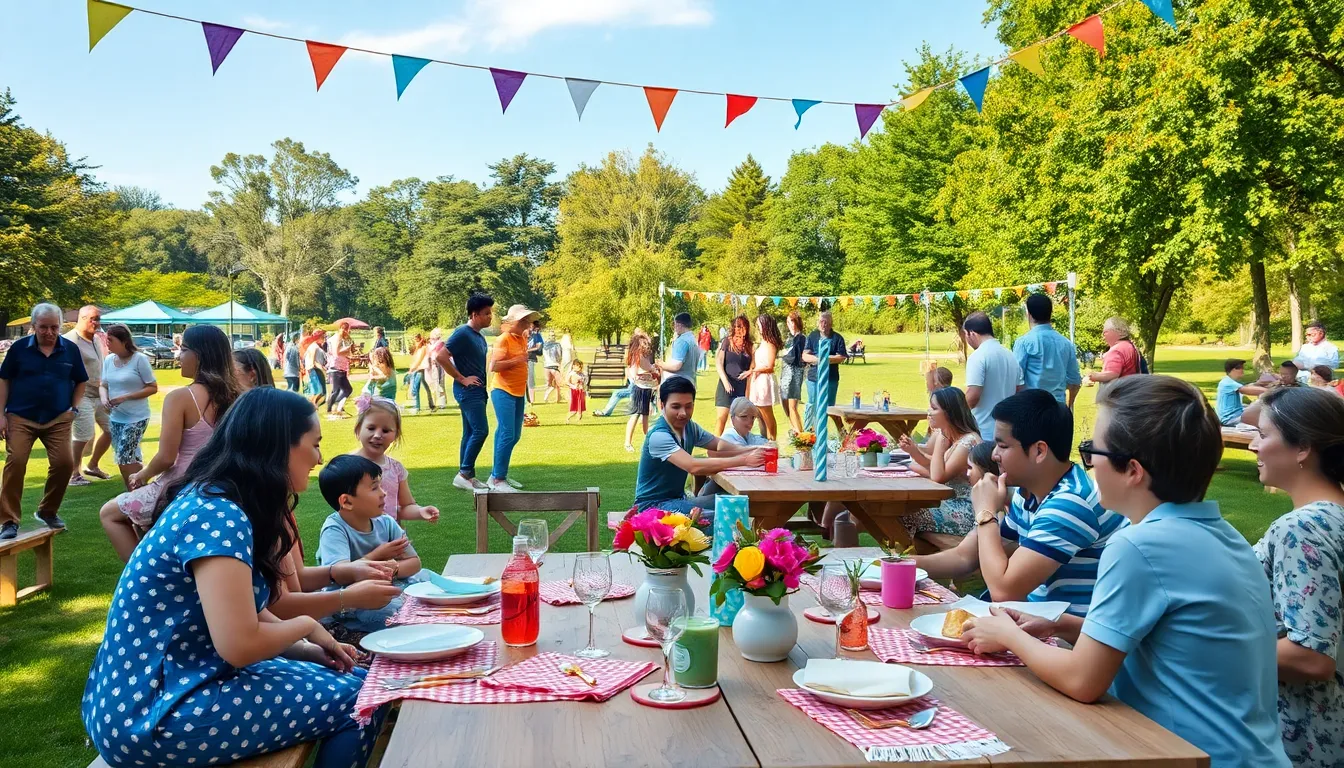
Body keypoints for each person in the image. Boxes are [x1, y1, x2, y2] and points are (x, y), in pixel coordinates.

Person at [962, 376, 1290, 768]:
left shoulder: (1138, 547)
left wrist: (1008, 634)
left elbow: (1083, 681)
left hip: (1185, 756)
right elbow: (1167, 638)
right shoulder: (1224, 536)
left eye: (1092, 451)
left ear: (1133, 470)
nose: (1089, 465)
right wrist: (1061, 624)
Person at [81, 387, 386, 768]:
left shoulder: (216, 501)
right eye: (314, 443)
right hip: (157, 714)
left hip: (152, 694)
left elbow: (246, 616)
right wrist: (305, 626)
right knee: (363, 699)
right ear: (278, 448)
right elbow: (240, 644)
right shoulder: (219, 516)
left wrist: (308, 649)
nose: (319, 457)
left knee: (357, 678)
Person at [915, 388, 1128, 617]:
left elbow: (1004, 590)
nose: (994, 455)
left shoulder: (1070, 503)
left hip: (1067, 640)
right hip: (1037, 622)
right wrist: (891, 564)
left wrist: (986, 513)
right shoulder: (1030, 493)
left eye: (1003, 446)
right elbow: (964, 557)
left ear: (1039, 451)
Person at [1247, 387, 1344, 766]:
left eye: (1264, 434)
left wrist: (1211, 650)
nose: (1253, 445)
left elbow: (1311, 657)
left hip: (1301, 737)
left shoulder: (1303, 528)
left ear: (1302, 447)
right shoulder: (1331, 515)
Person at [100, 325, 242, 562]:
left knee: (110, 513)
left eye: (183, 349)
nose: (178, 355)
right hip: (226, 482)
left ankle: (142, 573)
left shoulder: (181, 398)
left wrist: (141, 475)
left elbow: (166, 457)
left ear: (201, 354)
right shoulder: (239, 395)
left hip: (183, 484)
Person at [0, 303, 87, 540]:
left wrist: (73, 407)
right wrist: (1, 414)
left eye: (54, 327)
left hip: (58, 417)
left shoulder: (70, 349)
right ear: (33, 326)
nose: (49, 332)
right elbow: (4, 379)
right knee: (16, 462)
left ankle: (47, 511)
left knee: (64, 464)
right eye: (43, 327)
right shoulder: (18, 349)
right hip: (20, 416)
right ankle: (8, 521)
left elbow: (80, 380)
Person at [317, 454, 428, 634]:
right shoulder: (335, 529)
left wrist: (392, 568)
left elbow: (415, 563)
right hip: (352, 601)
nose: (383, 493)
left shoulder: (386, 522)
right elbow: (340, 575)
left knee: (428, 578)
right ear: (347, 501)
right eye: (375, 488)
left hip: (388, 585)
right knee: (389, 612)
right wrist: (379, 555)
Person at [633, 377, 764, 518]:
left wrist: (750, 449)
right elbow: (693, 466)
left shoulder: (689, 427)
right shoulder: (659, 436)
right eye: (676, 407)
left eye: (688, 406)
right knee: (731, 508)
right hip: (652, 508)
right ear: (662, 405)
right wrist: (744, 460)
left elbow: (718, 444)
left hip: (677, 501)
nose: (683, 413)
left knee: (738, 500)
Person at [898, 387, 982, 537]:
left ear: (949, 413)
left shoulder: (968, 442)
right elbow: (934, 466)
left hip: (964, 511)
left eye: (934, 408)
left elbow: (938, 477)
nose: (929, 412)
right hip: (947, 504)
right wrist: (913, 453)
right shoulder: (955, 438)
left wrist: (940, 443)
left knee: (901, 514)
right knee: (898, 509)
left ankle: (904, 554)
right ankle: (904, 552)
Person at [349, 395, 439, 523]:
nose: (377, 435)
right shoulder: (347, 466)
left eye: (385, 431)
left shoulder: (396, 469)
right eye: (371, 428)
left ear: (395, 435)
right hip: (360, 539)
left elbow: (405, 506)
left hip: (392, 538)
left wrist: (420, 511)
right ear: (358, 429)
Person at [437, 294, 494, 491]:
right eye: (486, 313)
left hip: (477, 391)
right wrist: (461, 378)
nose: (490, 317)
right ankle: (463, 473)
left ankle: (467, 476)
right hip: (468, 391)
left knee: (470, 432)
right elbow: (441, 356)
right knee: (481, 430)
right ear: (474, 314)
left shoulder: (478, 335)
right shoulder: (462, 333)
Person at [485, 305, 539, 493]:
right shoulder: (504, 339)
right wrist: (518, 360)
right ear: (514, 322)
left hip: (517, 392)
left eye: (527, 320)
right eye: (524, 320)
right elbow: (494, 366)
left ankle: (497, 474)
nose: (527, 324)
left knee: (512, 435)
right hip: (503, 391)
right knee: (507, 433)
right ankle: (498, 479)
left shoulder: (521, 338)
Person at [100, 324, 159, 490]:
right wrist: (105, 398)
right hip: (116, 418)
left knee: (124, 457)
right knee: (130, 457)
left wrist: (125, 397)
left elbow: (153, 387)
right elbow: (103, 384)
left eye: (110, 340)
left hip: (136, 417)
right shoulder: (109, 360)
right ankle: (143, 491)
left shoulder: (139, 359)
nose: (107, 344)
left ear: (124, 341)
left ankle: (135, 491)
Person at [65, 305, 113, 485]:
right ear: (82, 318)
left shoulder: (96, 340)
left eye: (98, 318)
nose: (97, 322)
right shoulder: (69, 341)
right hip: (81, 395)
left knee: (112, 430)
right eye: (93, 318)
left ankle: (92, 465)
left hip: (100, 394)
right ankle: (73, 474)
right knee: (83, 435)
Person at [1013, 294, 1082, 408]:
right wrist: (1069, 405)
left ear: (1028, 314)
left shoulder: (1024, 342)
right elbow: (1074, 381)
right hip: (1058, 408)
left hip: (1032, 407)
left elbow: (1016, 379)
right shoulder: (1066, 343)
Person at [962, 311, 1022, 441]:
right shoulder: (1010, 355)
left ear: (971, 333)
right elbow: (1019, 389)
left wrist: (956, 415)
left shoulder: (978, 356)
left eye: (965, 335)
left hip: (982, 429)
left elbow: (973, 394)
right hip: (1007, 429)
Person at [802, 311, 848, 430]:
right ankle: (808, 436)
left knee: (830, 408)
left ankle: (842, 435)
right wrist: (818, 359)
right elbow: (805, 355)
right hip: (813, 378)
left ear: (831, 323)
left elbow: (842, 357)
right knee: (812, 405)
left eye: (826, 322)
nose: (823, 324)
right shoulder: (812, 336)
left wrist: (826, 359)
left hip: (830, 379)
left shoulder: (837, 338)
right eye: (821, 321)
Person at [714, 315, 753, 436]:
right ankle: (715, 448)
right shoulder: (727, 341)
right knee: (721, 418)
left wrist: (749, 372)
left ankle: (736, 448)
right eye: (736, 326)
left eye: (741, 326)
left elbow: (753, 366)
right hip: (726, 385)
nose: (738, 329)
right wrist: (725, 381)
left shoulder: (749, 345)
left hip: (741, 387)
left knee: (739, 423)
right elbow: (719, 362)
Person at [748, 314, 783, 441]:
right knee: (759, 414)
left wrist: (752, 371)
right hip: (757, 380)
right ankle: (764, 440)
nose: (758, 327)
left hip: (764, 380)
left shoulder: (770, 343)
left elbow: (770, 365)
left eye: (760, 324)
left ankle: (772, 440)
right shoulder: (762, 343)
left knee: (767, 414)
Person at [624, 331, 659, 452]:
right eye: (645, 344)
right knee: (636, 414)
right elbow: (646, 367)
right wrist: (654, 369)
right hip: (640, 388)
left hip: (646, 387)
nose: (647, 346)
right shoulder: (639, 356)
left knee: (645, 415)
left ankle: (647, 440)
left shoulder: (641, 355)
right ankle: (628, 442)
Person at [1087, 316, 1142, 390]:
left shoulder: (1116, 351)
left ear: (1115, 332)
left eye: (1105, 333)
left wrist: (1092, 376)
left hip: (1118, 396)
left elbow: (1112, 374)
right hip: (1132, 391)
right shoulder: (1130, 346)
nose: (1103, 337)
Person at [780, 311, 807, 435]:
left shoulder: (801, 338)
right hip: (785, 374)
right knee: (785, 405)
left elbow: (797, 358)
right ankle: (795, 432)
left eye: (791, 321)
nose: (789, 324)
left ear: (797, 322)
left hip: (794, 374)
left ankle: (801, 436)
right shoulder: (789, 338)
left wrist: (783, 356)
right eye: (788, 322)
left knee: (792, 406)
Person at [1216, 359, 1267, 425]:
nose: (1243, 370)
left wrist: (1258, 383)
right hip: (1230, 419)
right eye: (1241, 368)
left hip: (1235, 416)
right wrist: (1271, 391)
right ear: (1233, 369)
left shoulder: (1228, 381)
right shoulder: (1227, 383)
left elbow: (1247, 387)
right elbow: (1245, 390)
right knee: (1262, 412)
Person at [660, 312, 702, 383]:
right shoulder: (693, 338)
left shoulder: (682, 341)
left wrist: (660, 364)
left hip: (677, 383)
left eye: (675, 325)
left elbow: (676, 367)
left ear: (680, 325)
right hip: (689, 381)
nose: (675, 328)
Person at [326, 321, 355, 419]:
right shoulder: (337, 337)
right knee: (336, 390)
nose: (348, 332)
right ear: (343, 329)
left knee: (347, 389)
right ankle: (331, 408)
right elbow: (337, 352)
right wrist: (347, 349)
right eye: (347, 330)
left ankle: (337, 405)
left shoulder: (341, 338)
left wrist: (348, 355)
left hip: (341, 367)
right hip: (336, 367)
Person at [406, 333, 437, 414]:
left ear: (420, 339)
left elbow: (420, 360)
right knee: (425, 387)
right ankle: (431, 405)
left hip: (420, 369)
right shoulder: (418, 349)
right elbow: (414, 359)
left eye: (416, 340)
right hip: (417, 369)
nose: (415, 342)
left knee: (415, 387)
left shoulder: (423, 348)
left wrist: (412, 369)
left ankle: (417, 407)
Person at [304, 329, 328, 406]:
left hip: (316, 370)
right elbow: (313, 361)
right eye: (323, 337)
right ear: (318, 337)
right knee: (319, 391)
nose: (324, 338)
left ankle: (312, 406)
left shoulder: (315, 346)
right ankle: (312, 406)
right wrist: (322, 369)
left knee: (321, 392)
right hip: (315, 370)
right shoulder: (314, 347)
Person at [542, 331, 564, 403]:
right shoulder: (549, 345)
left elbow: (559, 355)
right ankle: (549, 397)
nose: (553, 337)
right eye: (552, 335)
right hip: (550, 366)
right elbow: (559, 356)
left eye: (554, 335)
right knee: (553, 383)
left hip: (551, 366)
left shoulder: (553, 345)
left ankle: (555, 398)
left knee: (555, 383)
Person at [565, 360, 587, 424]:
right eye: (578, 366)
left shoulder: (582, 374)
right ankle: (567, 419)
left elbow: (584, 382)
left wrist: (583, 387)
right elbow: (567, 382)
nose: (580, 368)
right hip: (574, 391)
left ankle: (578, 420)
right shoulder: (571, 373)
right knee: (574, 409)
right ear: (574, 366)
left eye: (580, 366)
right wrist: (573, 386)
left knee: (580, 408)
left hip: (581, 391)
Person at [527, 321, 544, 404]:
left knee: (530, 380)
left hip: (530, 359)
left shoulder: (536, 336)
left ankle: (531, 400)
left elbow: (539, 348)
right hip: (521, 359)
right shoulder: (524, 334)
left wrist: (527, 350)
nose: (532, 328)